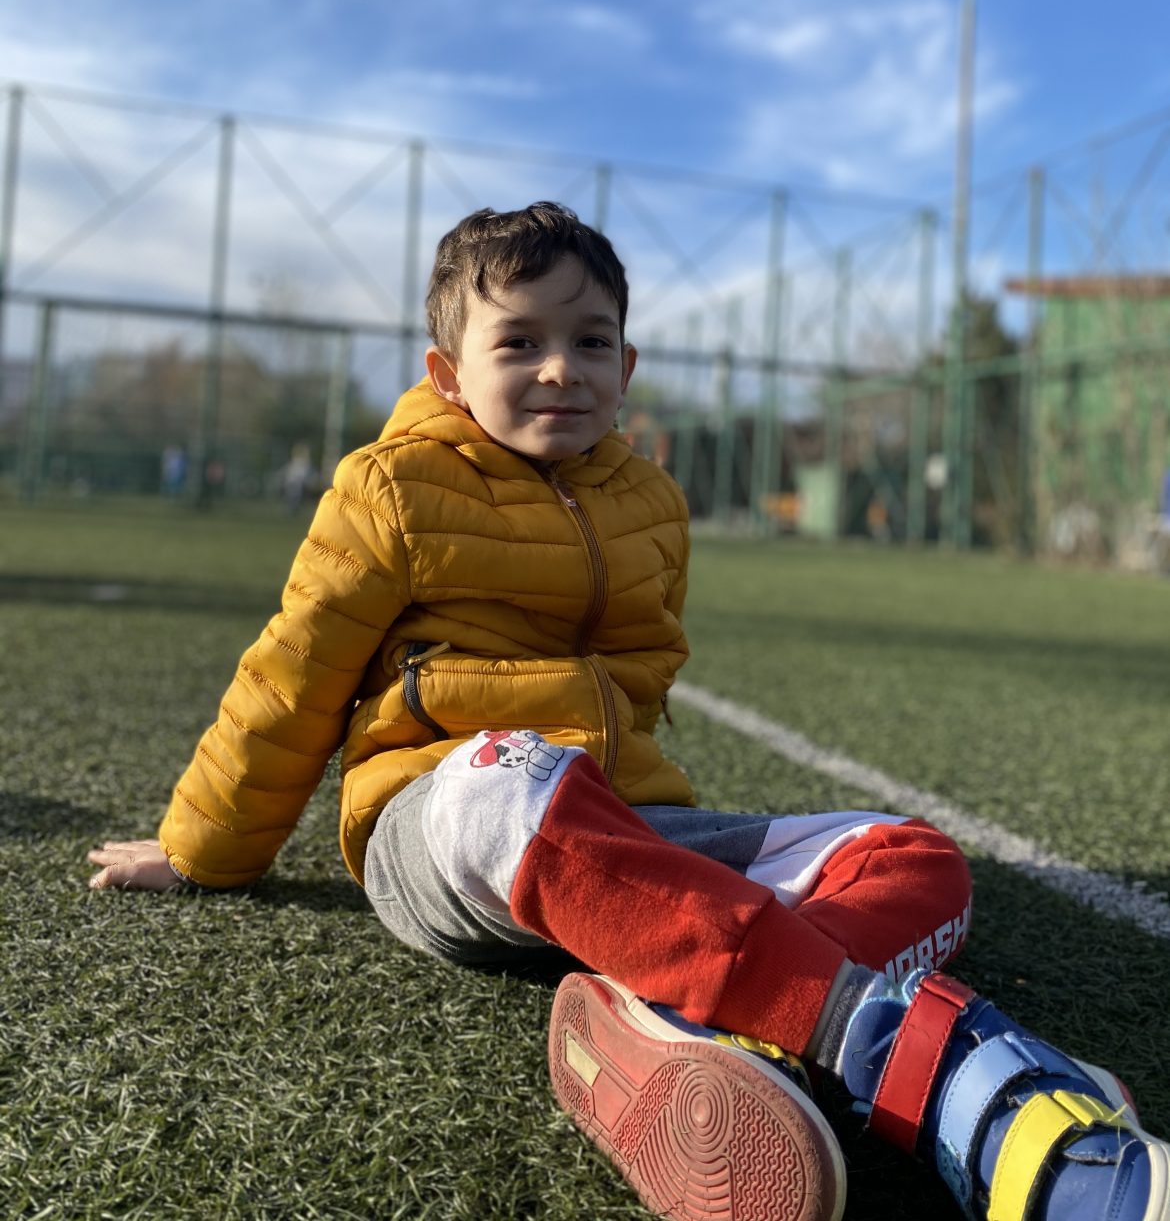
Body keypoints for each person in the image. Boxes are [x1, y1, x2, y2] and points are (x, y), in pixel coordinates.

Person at [88, 202, 1168, 1221]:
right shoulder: (392, 488)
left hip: (622, 834)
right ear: (448, 373)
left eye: (591, 342)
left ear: (627, 367)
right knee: (510, 779)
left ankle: (695, 1026)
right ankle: (947, 1081)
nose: (561, 367)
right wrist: (200, 852)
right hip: (447, 828)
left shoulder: (652, 502)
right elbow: (291, 676)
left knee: (912, 856)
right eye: (519, 342)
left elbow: (641, 679)